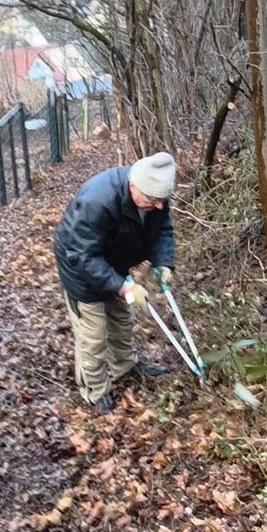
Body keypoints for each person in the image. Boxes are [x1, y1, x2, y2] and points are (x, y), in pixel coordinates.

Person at [54, 152, 177, 413]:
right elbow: (82, 255)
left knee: (121, 317)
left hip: (115, 262)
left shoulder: (154, 197)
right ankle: (94, 390)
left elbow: (162, 230)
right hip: (80, 269)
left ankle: (125, 366)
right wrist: (123, 287)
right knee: (93, 335)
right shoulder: (97, 201)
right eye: (152, 200)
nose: (158, 206)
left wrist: (163, 263)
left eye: (162, 200)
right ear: (133, 186)